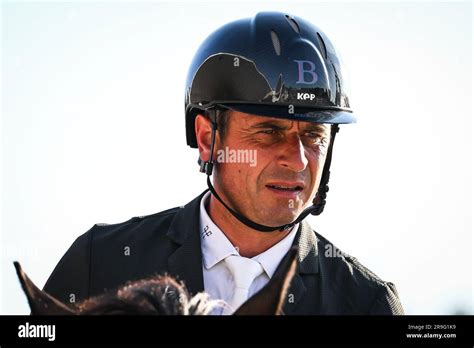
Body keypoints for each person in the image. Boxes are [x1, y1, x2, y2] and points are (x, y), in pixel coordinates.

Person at [43, 11, 404, 315]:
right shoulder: (99, 261)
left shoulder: (368, 304)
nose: (297, 161)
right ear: (207, 140)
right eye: (269, 132)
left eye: (314, 136)